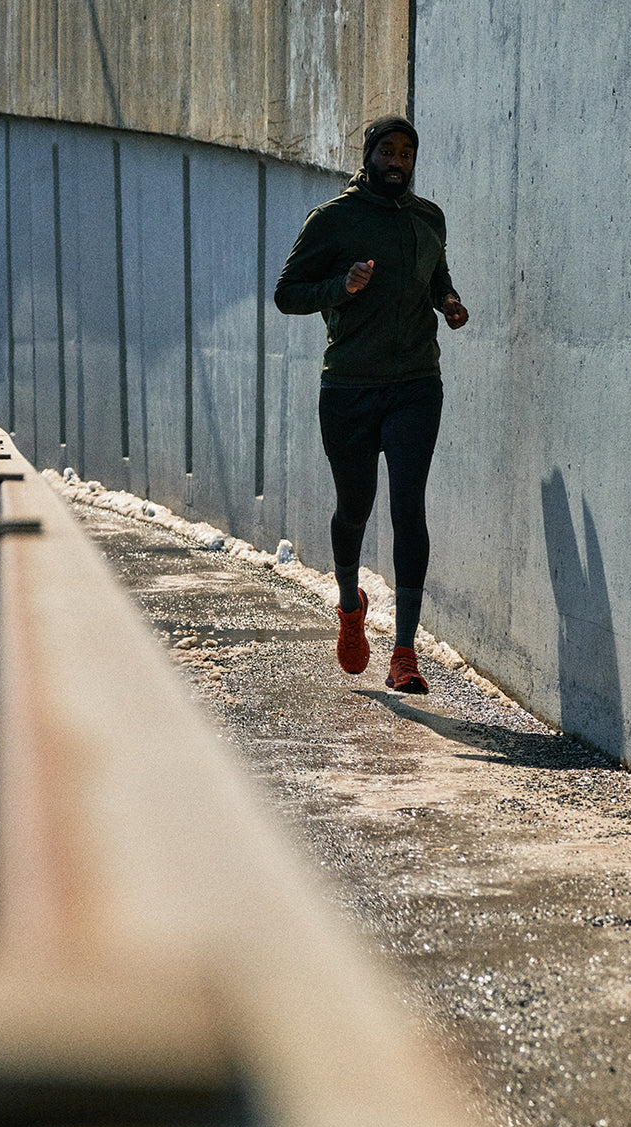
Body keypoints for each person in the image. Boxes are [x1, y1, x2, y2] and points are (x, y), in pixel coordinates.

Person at [274, 114, 468, 694]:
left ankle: (404, 650)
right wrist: (342, 287)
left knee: (409, 507)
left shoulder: (428, 218)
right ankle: (348, 603)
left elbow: (437, 277)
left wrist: (449, 301)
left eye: (407, 153)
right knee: (355, 504)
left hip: (415, 385)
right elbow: (286, 294)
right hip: (350, 388)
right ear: (369, 156)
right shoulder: (333, 220)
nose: (398, 162)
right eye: (388, 151)